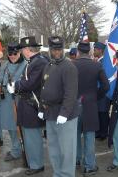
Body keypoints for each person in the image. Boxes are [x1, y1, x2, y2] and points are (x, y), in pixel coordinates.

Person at [7, 36, 48, 175]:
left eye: (22, 49)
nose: (21, 51)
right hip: (27, 104)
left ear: (27, 49)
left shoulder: (39, 62)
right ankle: (33, 162)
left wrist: (15, 85)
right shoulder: (34, 61)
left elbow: (31, 83)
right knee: (29, 136)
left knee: (33, 138)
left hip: (32, 104)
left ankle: (37, 165)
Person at [39, 36, 79, 177]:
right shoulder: (48, 65)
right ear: (49, 50)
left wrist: (64, 113)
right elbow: (43, 89)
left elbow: (71, 93)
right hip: (50, 113)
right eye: (53, 49)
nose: (56, 52)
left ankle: (67, 174)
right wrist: (41, 109)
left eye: (59, 49)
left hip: (65, 115)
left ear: (63, 50)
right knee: (54, 148)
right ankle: (57, 173)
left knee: (67, 150)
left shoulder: (69, 67)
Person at [73, 41, 109, 176]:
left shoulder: (72, 65)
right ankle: (89, 166)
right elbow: (105, 87)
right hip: (90, 105)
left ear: (78, 52)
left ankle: (76, 160)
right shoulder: (96, 65)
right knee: (89, 136)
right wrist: (95, 97)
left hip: (74, 105)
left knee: (75, 135)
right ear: (89, 52)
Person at [0, 42, 26, 161]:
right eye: (10, 53)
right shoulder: (4, 65)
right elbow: (0, 79)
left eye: (15, 53)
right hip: (6, 100)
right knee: (10, 126)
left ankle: (24, 149)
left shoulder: (26, 65)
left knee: (21, 127)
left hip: (20, 99)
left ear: (20, 52)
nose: (13, 56)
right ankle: (15, 149)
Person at [93, 42, 111, 141]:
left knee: (103, 112)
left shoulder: (104, 62)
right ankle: (99, 132)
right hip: (97, 91)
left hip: (103, 92)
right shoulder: (98, 61)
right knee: (99, 113)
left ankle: (103, 133)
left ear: (100, 50)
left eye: (95, 49)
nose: (94, 51)